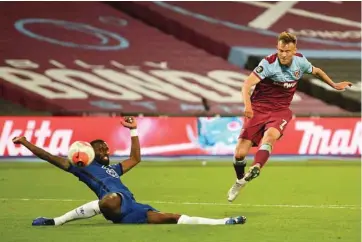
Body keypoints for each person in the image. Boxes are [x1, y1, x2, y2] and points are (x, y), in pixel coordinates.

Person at [12, 117, 246, 225]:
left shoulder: (114, 169)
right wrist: (26, 143)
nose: (106, 148)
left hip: (132, 207)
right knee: (110, 200)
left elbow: (136, 158)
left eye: (105, 146)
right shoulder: (81, 168)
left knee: (170, 217)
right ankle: (55, 222)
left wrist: (134, 131)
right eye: (100, 147)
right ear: (90, 153)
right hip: (113, 203)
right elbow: (51, 158)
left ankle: (223, 222)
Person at [227, 31, 352, 202]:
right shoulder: (268, 63)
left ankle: (256, 167)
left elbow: (317, 71)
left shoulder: (300, 62)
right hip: (258, 109)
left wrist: (334, 85)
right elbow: (247, 85)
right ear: (277, 49)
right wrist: (247, 106)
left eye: (287, 51)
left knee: (270, 137)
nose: (283, 55)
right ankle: (240, 180)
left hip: (280, 111)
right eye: (281, 51)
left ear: (294, 51)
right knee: (240, 154)